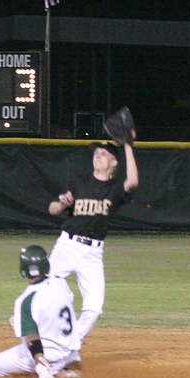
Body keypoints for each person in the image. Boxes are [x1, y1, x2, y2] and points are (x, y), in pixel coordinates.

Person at [47, 140, 139, 342]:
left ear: (114, 163)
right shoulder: (78, 182)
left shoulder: (115, 188)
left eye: (104, 154)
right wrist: (61, 205)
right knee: (44, 288)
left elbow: (132, 182)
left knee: (94, 308)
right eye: (96, 152)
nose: (98, 155)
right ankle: (30, 323)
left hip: (92, 254)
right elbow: (52, 209)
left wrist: (127, 147)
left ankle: (70, 344)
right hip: (67, 246)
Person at [0, 245, 82, 378]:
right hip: (71, 352)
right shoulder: (61, 282)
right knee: (35, 321)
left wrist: (40, 362)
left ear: (23, 270)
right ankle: (64, 366)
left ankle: (52, 368)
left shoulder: (26, 300)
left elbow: (32, 337)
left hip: (49, 354)